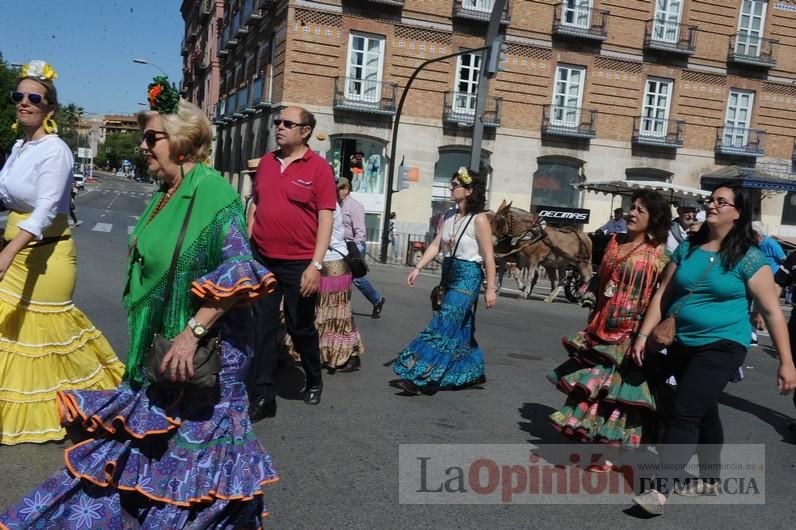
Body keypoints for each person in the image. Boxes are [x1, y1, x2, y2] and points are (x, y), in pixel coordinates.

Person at [1, 80, 280, 527]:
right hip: (165, 348)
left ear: (183, 142)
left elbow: (240, 267)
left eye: (153, 138)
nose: (144, 147)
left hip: (207, 355)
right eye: (144, 138)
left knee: (196, 461)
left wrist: (192, 335)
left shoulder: (213, 193)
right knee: (149, 446)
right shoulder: (164, 194)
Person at [630, 182, 796, 515]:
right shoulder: (689, 248)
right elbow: (663, 293)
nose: (713, 205)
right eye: (711, 199)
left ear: (737, 213)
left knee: (685, 411)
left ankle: (661, 489)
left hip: (723, 344)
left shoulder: (749, 258)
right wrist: (643, 335)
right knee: (702, 408)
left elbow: (772, 311)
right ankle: (709, 477)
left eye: (722, 201)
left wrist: (787, 363)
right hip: (681, 340)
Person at [0, 60, 123, 445]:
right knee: (13, 337)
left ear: (49, 108)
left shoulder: (55, 151)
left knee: (48, 340)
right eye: (18, 96)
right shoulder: (21, 146)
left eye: (34, 98)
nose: (24, 103)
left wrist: (7, 254)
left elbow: (44, 211)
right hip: (16, 251)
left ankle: (93, 402)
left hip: (45, 258)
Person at [548, 190, 671, 450]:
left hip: (631, 331)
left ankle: (611, 447)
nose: (632, 213)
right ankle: (592, 436)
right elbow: (600, 278)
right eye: (632, 207)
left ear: (655, 218)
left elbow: (664, 296)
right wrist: (591, 296)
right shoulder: (614, 242)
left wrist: (646, 333)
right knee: (595, 386)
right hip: (601, 325)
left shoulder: (659, 255)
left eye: (641, 210)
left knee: (617, 392)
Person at [248, 106, 335, 420]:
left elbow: (326, 217)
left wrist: (316, 264)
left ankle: (313, 376)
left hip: (300, 263)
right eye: (277, 122)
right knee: (263, 328)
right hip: (263, 259)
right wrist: (249, 244)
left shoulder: (319, 169)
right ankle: (263, 395)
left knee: (300, 328)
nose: (279, 127)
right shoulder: (267, 163)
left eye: (287, 123)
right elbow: (256, 204)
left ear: (306, 131)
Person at [393, 167, 497, 394]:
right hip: (449, 274)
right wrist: (418, 267)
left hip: (468, 276)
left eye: (456, 185)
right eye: (452, 184)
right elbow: (435, 244)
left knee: (444, 322)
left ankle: (418, 376)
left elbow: (489, 256)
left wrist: (491, 289)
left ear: (469, 191)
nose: (451, 188)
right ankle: (472, 372)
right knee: (462, 327)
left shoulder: (479, 219)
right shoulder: (449, 215)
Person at [284, 204, 364, 372]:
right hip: (329, 263)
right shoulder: (322, 201)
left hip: (331, 263)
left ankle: (346, 355)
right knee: (326, 313)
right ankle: (331, 354)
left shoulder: (326, 204)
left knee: (334, 314)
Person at [338, 176, 386, 318]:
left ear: (346, 189)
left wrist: (356, 253)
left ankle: (377, 300)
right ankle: (339, 307)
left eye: (339, 189)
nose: (336, 191)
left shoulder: (355, 206)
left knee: (357, 278)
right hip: (339, 245)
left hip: (354, 246)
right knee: (338, 275)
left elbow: (360, 232)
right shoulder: (336, 205)